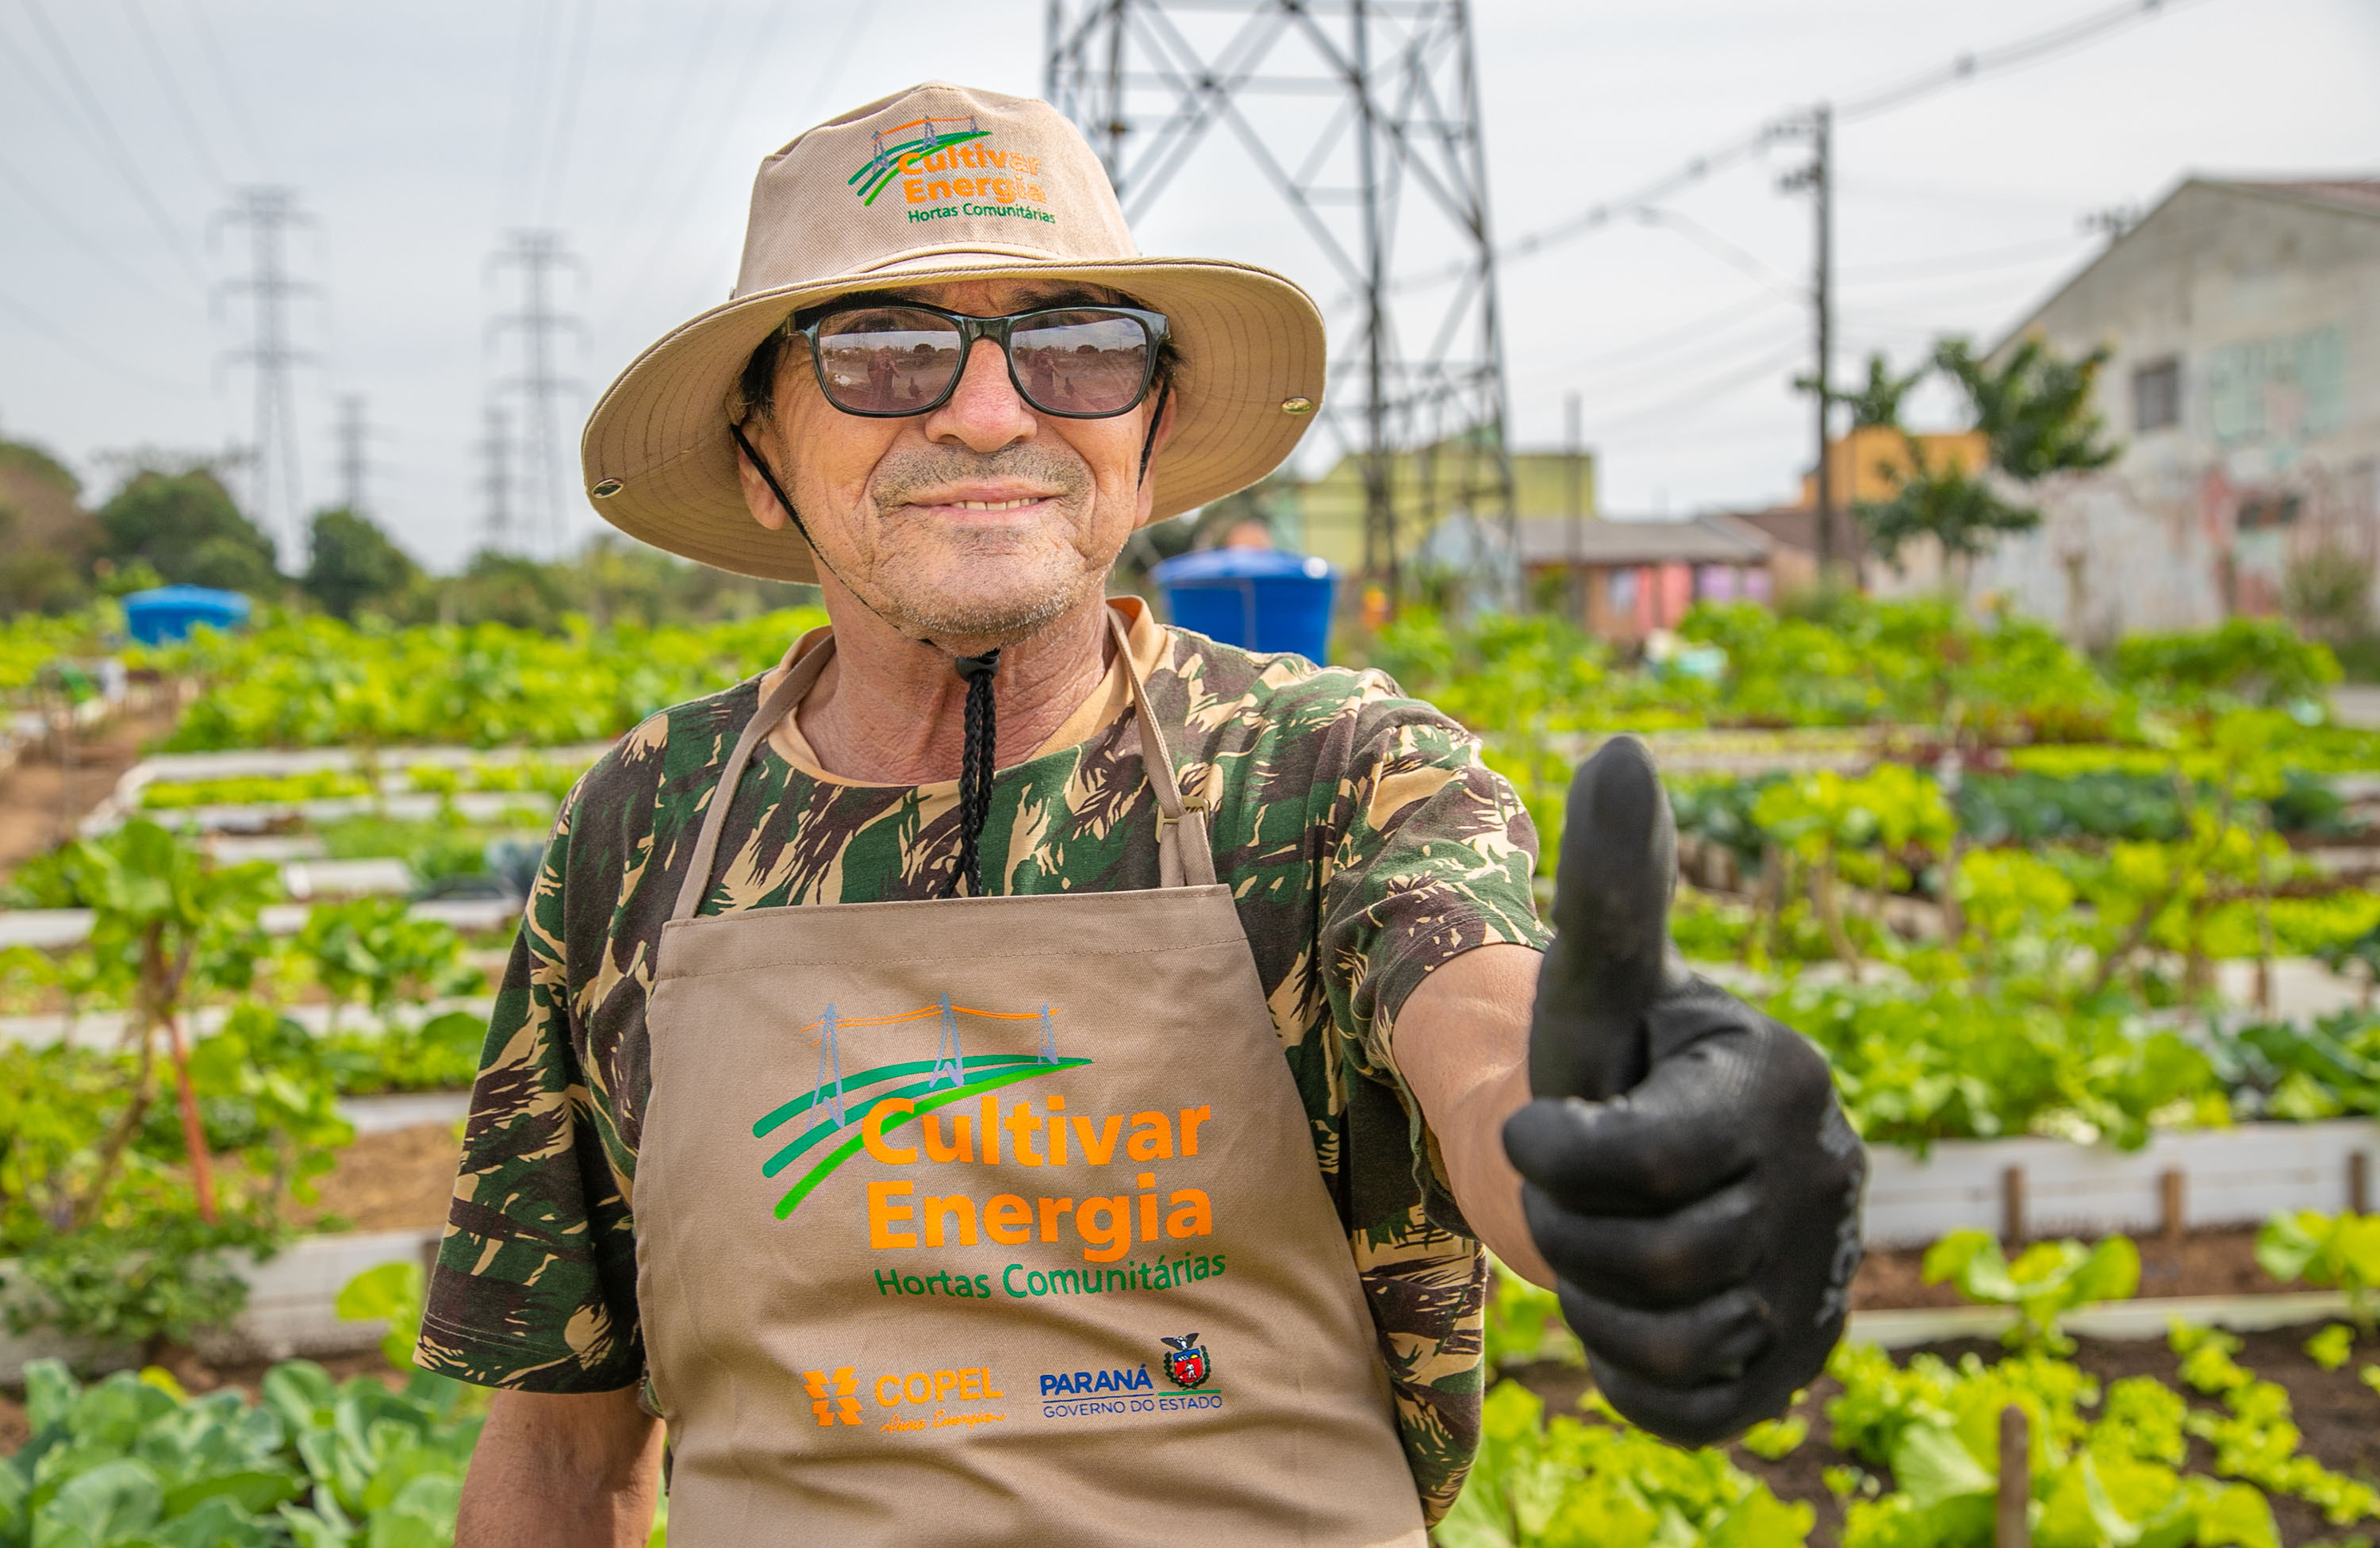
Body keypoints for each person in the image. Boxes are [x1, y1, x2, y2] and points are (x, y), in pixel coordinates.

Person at [424, 83, 1864, 1547]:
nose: (990, 414)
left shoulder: (1327, 776)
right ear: (759, 454)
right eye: (885, 353)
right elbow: (562, 1441)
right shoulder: (647, 826)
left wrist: (1611, 1149)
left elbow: (1484, 1036)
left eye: (1077, 348)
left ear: (1151, 432)